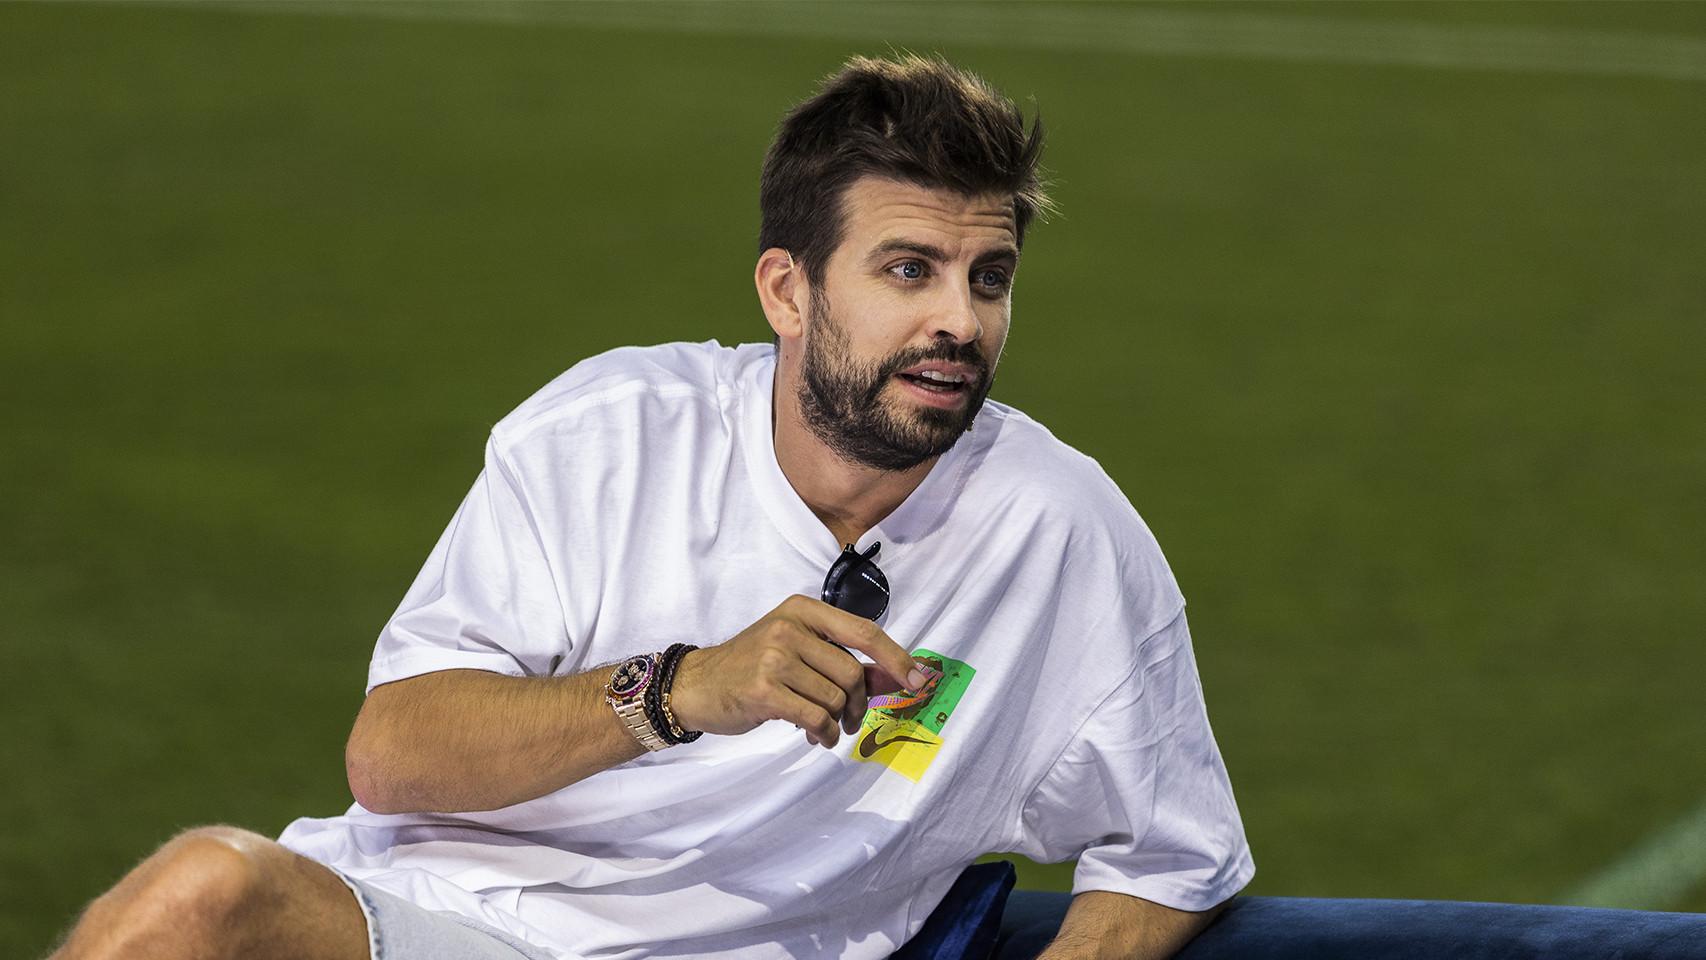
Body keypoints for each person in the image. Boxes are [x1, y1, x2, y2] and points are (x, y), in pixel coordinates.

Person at [49, 54, 1253, 960]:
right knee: (199, 895)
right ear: (786, 291)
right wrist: (677, 691)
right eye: (907, 269)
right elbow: (392, 756)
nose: (960, 320)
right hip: (449, 920)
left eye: (987, 278)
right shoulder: (611, 431)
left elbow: (1173, 850)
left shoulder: (1059, 528)